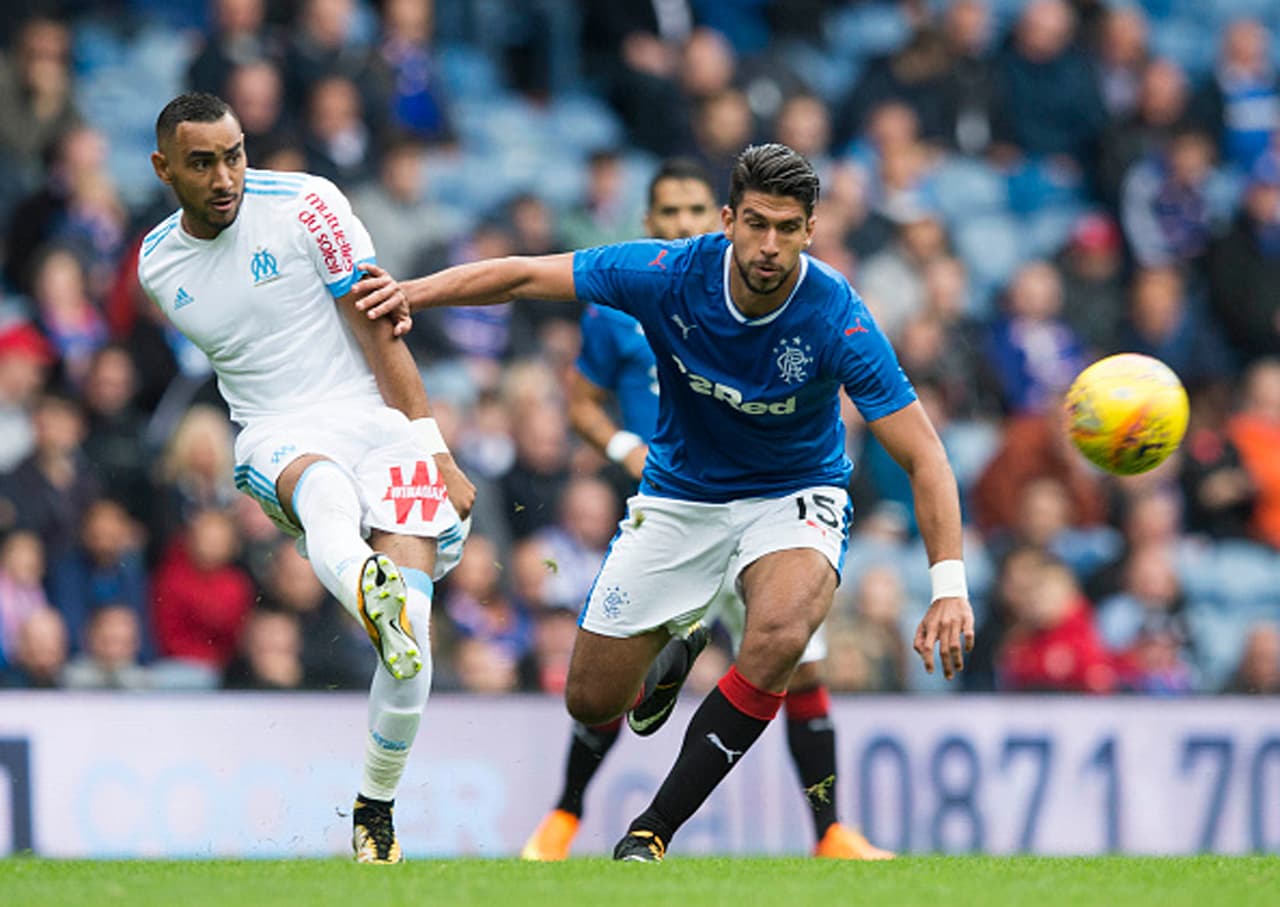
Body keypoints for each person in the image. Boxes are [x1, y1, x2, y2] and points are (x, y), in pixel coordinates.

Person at [357, 143, 972, 862]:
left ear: (811, 230)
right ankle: (666, 662)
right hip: (680, 497)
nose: (769, 245)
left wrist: (948, 584)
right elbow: (525, 274)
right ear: (727, 220)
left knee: (781, 636)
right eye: (755, 224)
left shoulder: (836, 313)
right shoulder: (666, 273)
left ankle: (652, 831)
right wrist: (411, 292)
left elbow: (925, 452)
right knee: (590, 699)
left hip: (793, 495)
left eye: (786, 228)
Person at [136, 92, 475, 864]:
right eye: (201, 163)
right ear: (164, 168)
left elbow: (377, 324)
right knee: (324, 491)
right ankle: (366, 585)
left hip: (376, 419)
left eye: (235, 154)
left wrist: (434, 447)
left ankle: (374, 809)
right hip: (276, 430)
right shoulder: (158, 265)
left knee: (413, 642)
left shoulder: (308, 204)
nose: (225, 177)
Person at [522, 157, 891, 861]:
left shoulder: (784, 297)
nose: (687, 224)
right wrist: (626, 446)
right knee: (603, 684)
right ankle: (565, 814)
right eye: (674, 214)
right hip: (674, 502)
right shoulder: (628, 305)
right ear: (652, 222)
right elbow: (580, 403)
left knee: (797, 664)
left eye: (696, 211)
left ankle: (831, 830)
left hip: (771, 508)